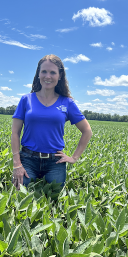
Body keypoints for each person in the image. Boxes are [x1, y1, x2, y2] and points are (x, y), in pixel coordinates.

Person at [11, 54, 92, 190]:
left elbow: (87, 131)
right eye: (44, 71)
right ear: (38, 74)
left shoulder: (67, 102)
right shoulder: (26, 100)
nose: (47, 76)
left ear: (60, 76)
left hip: (55, 161)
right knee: (20, 189)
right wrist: (17, 164)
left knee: (54, 195)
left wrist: (74, 158)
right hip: (28, 158)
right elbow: (15, 132)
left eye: (52, 72)